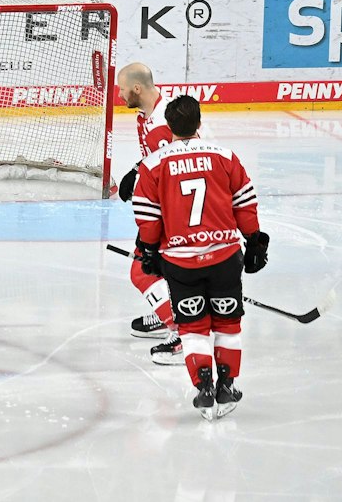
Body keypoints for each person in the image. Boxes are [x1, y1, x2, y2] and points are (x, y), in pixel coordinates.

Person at [131, 95, 265, 418]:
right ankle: (227, 384)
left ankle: (203, 385)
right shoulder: (224, 156)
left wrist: (149, 250)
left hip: (181, 263)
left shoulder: (154, 164)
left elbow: (148, 215)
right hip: (224, 258)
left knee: (192, 327)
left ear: (169, 127)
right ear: (199, 123)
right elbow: (244, 202)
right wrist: (254, 241)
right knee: (228, 323)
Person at [114, 61, 181, 365]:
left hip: (172, 211)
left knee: (142, 271)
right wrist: (136, 170)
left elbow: (172, 173)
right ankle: (170, 312)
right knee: (161, 269)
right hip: (170, 207)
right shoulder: (152, 114)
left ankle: (180, 329)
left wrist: (157, 220)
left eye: (123, 89)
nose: (119, 95)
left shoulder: (160, 125)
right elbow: (159, 160)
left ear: (137, 89)